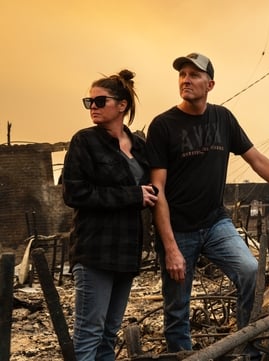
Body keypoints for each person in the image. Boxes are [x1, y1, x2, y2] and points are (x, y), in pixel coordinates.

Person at [146, 52, 269, 354]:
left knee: (250, 272)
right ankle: (183, 357)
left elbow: (257, 160)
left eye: (194, 75)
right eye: (182, 74)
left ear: (210, 84)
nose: (186, 80)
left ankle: (248, 350)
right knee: (177, 305)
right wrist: (170, 247)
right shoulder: (163, 125)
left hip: (215, 223)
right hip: (178, 229)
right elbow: (158, 190)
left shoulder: (223, 118)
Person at [62, 69, 158, 361]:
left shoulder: (140, 146)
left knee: (109, 333)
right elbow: (74, 193)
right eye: (88, 102)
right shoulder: (84, 142)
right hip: (95, 251)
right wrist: (133, 195)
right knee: (89, 333)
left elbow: (154, 185)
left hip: (127, 253)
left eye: (100, 101)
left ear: (122, 105)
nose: (92, 107)